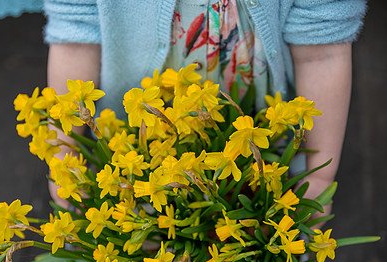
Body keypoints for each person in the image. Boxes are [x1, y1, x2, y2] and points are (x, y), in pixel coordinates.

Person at [43, 0, 367, 227]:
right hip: (136, 145)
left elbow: (322, 51)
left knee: (254, 251)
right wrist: (64, 161)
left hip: (263, 140)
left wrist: (318, 175)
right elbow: (75, 38)